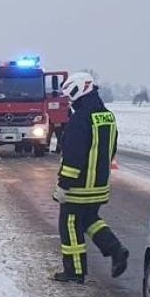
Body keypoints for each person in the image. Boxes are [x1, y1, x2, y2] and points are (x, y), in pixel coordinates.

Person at [52, 72, 129, 284]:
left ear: (80, 91)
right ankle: (116, 250)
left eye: (71, 97)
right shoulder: (107, 116)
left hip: (78, 187)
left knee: (69, 225)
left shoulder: (80, 119)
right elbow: (111, 149)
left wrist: (63, 184)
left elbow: (73, 155)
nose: (71, 101)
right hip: (99, 185)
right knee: (89, 220)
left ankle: (75, 272)